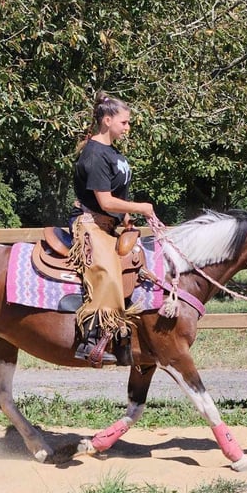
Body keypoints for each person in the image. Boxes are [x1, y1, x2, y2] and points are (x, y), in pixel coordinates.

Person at [68, 91, 155, 367]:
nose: (128, 127)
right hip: (90, 223)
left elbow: (118, 195)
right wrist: (141, 207)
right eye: (124, 122)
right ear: (107, 121)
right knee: (106, 270)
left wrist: (127, 216)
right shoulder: (93, 154)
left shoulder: (113, 152)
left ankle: (125, 336)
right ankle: (90, 338)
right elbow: (104, 201)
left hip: (110, 224)